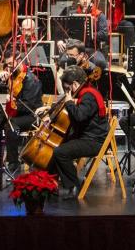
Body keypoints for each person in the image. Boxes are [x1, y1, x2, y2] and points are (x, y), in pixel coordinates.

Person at [43, 65, 108, 199]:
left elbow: (79, 116)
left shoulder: (89, 95)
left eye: (67, 88)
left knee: (60, 152)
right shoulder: (85, 92)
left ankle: (73, 186)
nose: (68, 92)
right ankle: (49, 184)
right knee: (56, 147)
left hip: (94, 141)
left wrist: (69, 103)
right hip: (86, 137)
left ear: (75, 84)